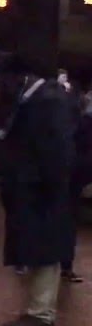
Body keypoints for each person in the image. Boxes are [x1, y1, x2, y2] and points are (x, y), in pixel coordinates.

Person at [1, 66, 75, 326]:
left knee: (43, 249)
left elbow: (55, 148)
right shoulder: (46, 98)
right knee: (40, 246)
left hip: (40, 187)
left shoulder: (46, 101)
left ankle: (40, 311)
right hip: (40, 186)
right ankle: (38, 309)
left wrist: (47, 180)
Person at [62, 84, 92, 282]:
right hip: (77, 172)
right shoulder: (84, 119)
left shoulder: (82, 119)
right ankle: (65, 263)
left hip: (72, 171)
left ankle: (62, 263)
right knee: (67, 218)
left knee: (65, 217)